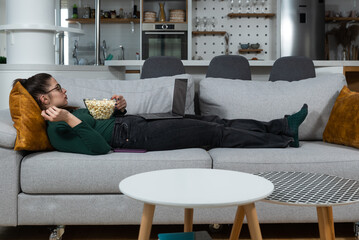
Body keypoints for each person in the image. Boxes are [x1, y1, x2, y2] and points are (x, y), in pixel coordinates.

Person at [13, 73, 308, 155]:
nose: (64, 91)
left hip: (137, 123)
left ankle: (280, 126)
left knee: (215, 121)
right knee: (214, 134)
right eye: (58, 88)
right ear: (43, 98)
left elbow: (103, 119)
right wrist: (68, 119)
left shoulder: (71, 110)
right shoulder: (57, 129)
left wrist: (118, 107)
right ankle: (283, 142)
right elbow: (100, 148)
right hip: (135, 137)